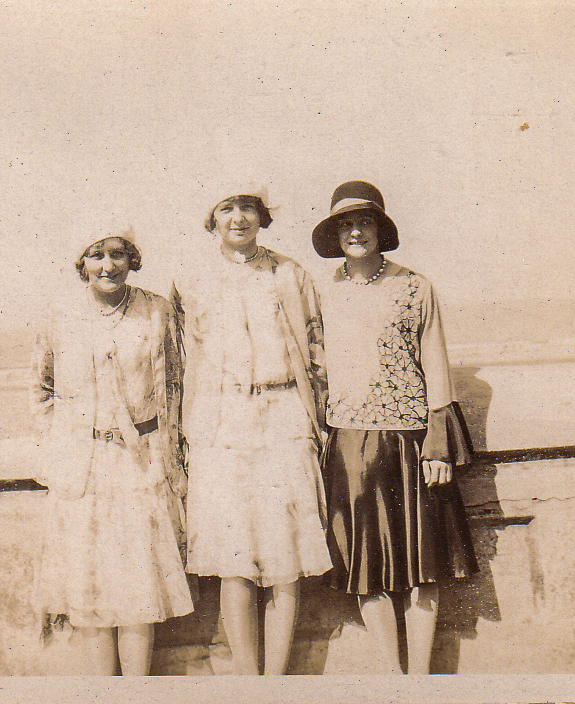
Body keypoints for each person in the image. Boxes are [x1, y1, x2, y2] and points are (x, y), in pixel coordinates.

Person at [311, 181, 479, 674]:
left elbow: (436, 365)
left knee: (421, 563)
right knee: (368, 566)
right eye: (345, 224)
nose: (355, 232)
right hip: (348, 441)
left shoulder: (414, 287)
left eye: (364, 222)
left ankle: (420, 679)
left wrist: (438, 446)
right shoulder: (321, 292)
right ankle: (391, 675)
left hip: (409, 440)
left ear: (380, 230)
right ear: (335, 234)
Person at [172, 181, 332, 675]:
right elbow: (179, 363)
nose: (238, 217)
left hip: (284, 416)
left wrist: (320, 419)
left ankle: (278, 679)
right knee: (233, 556)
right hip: (221, 423)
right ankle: (248, 678)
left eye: (248, 207)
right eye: (227, 208)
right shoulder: (191, 279)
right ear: (212, 218)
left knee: (287, 559)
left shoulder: (290, 274)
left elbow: (318, 352)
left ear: (262, 215)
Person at [30, 223, 193, 676]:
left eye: (118, 254)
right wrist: (59, 449)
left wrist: (170, 458)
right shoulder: (60, 314)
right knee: (90, 583)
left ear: (132, 259)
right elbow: (40, 388)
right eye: (97, 255)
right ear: (81, 263)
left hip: (138, 464)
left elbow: (174, 388)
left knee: (139, 584)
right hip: (81, 468)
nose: (108, 265)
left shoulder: (156, 311)